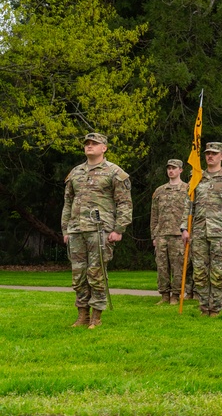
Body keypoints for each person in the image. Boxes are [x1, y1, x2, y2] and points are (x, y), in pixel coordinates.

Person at [62, 132, 133, 329]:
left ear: (104, 148)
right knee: (78, 274)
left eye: (94, 143)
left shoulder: (114, 172)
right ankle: (82, 315)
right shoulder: (75, 172)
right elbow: (68, 203)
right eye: (87, 143)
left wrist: (119, 229)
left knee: (97, 272)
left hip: (100, 230)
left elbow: (125, 203)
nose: (89, 146)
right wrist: (65, 229)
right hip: (76, 229)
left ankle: (96, 317)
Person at [187, 142, 222, 316]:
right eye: (208, 153)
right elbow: (189, 206)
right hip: (199, 232)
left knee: (218, 273)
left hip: (221, 234)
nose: (210, 156)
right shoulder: (197, 178)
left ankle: (216, 308)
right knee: (199, 273)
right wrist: (184, 228)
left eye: (214, 153)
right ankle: (204, 307)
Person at [150, 159, 189, 305]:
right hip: (162, 234)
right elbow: (154, 214)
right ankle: (164, 294)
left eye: (174, 168)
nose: (171, 171)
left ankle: (176, 295)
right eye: (169, 168)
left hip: (178, 235)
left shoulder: (187, 189)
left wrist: (187, 231)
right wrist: (154, 234)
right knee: (162, 267)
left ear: (180, 170)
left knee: (178, 266)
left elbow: (191, 212)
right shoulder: (160, 190)